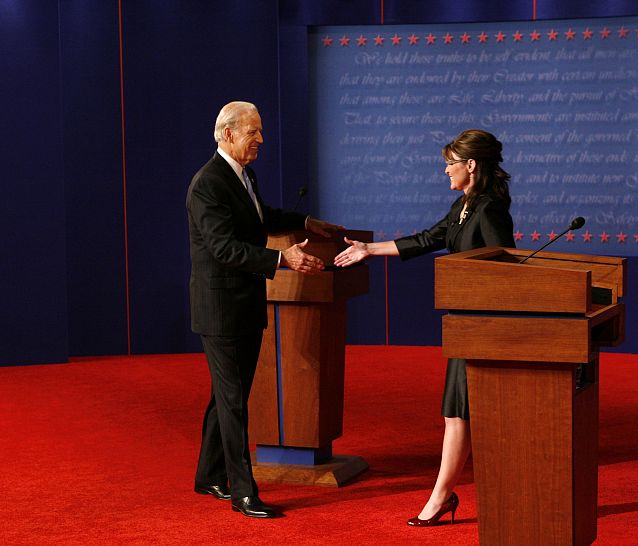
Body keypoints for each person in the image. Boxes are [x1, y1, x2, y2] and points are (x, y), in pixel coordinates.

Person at [333, 129, 515, 526]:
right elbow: (428, 239)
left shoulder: (489, 208)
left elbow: (506, 267)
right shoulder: (463, 205)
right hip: (463, 324)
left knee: (461, 415)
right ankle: (443, 496)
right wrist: (369, 250)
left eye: (450, 164)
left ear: (471, 165)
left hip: (481, 325)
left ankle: (441, 498)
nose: (445, 171)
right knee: (457, 414)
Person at [186, 101, 342, 518]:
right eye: (252, 132)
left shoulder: (243, 175)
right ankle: (243, 493)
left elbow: (259, 217)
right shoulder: (207, 184)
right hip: (220, 309)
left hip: (244, 303)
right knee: (234, 401)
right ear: (228, 134)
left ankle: (208, 475)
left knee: (228, 395)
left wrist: (305, 222)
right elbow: (223, 248)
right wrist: (281, 258)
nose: (261, 139)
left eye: (259, 131)